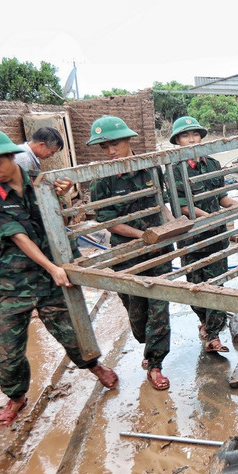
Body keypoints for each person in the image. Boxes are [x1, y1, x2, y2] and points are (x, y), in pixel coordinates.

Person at [0, 128, 118, 426]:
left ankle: (94, 367)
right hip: (14, 281)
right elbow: (17, 235)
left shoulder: (42, 184)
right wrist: (52, 267)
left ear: (12, 157)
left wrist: (65, 194)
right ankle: (16, 396)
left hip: (52, 277)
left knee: (71, 332)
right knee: (8, 344)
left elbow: (62, 222)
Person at [87, 116, 173, 391]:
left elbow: (161, 203)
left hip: (158, 248)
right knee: (137, 312)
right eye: (105, 147)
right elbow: (110, 222)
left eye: (115, 144)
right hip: (126, 253)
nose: (110, 151)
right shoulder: (101, 180)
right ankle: (147, 343)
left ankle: (156, 363)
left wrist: (170, 226)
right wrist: (142, 236)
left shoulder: (150, 168)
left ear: (128, 140)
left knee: (159, 305)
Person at [169, 116, 238, 354]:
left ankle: (213, 335)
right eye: (185, 136)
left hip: (216, 235)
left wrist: (237, 205)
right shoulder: (174, 169)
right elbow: (183, 206)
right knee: (195, 285)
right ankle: (204, 320)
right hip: (191, 236)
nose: (191, 139)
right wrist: (206, 217)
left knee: (217, 284)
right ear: (177, 141)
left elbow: (222, 197)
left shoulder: (212, 165)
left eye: (195, 135)